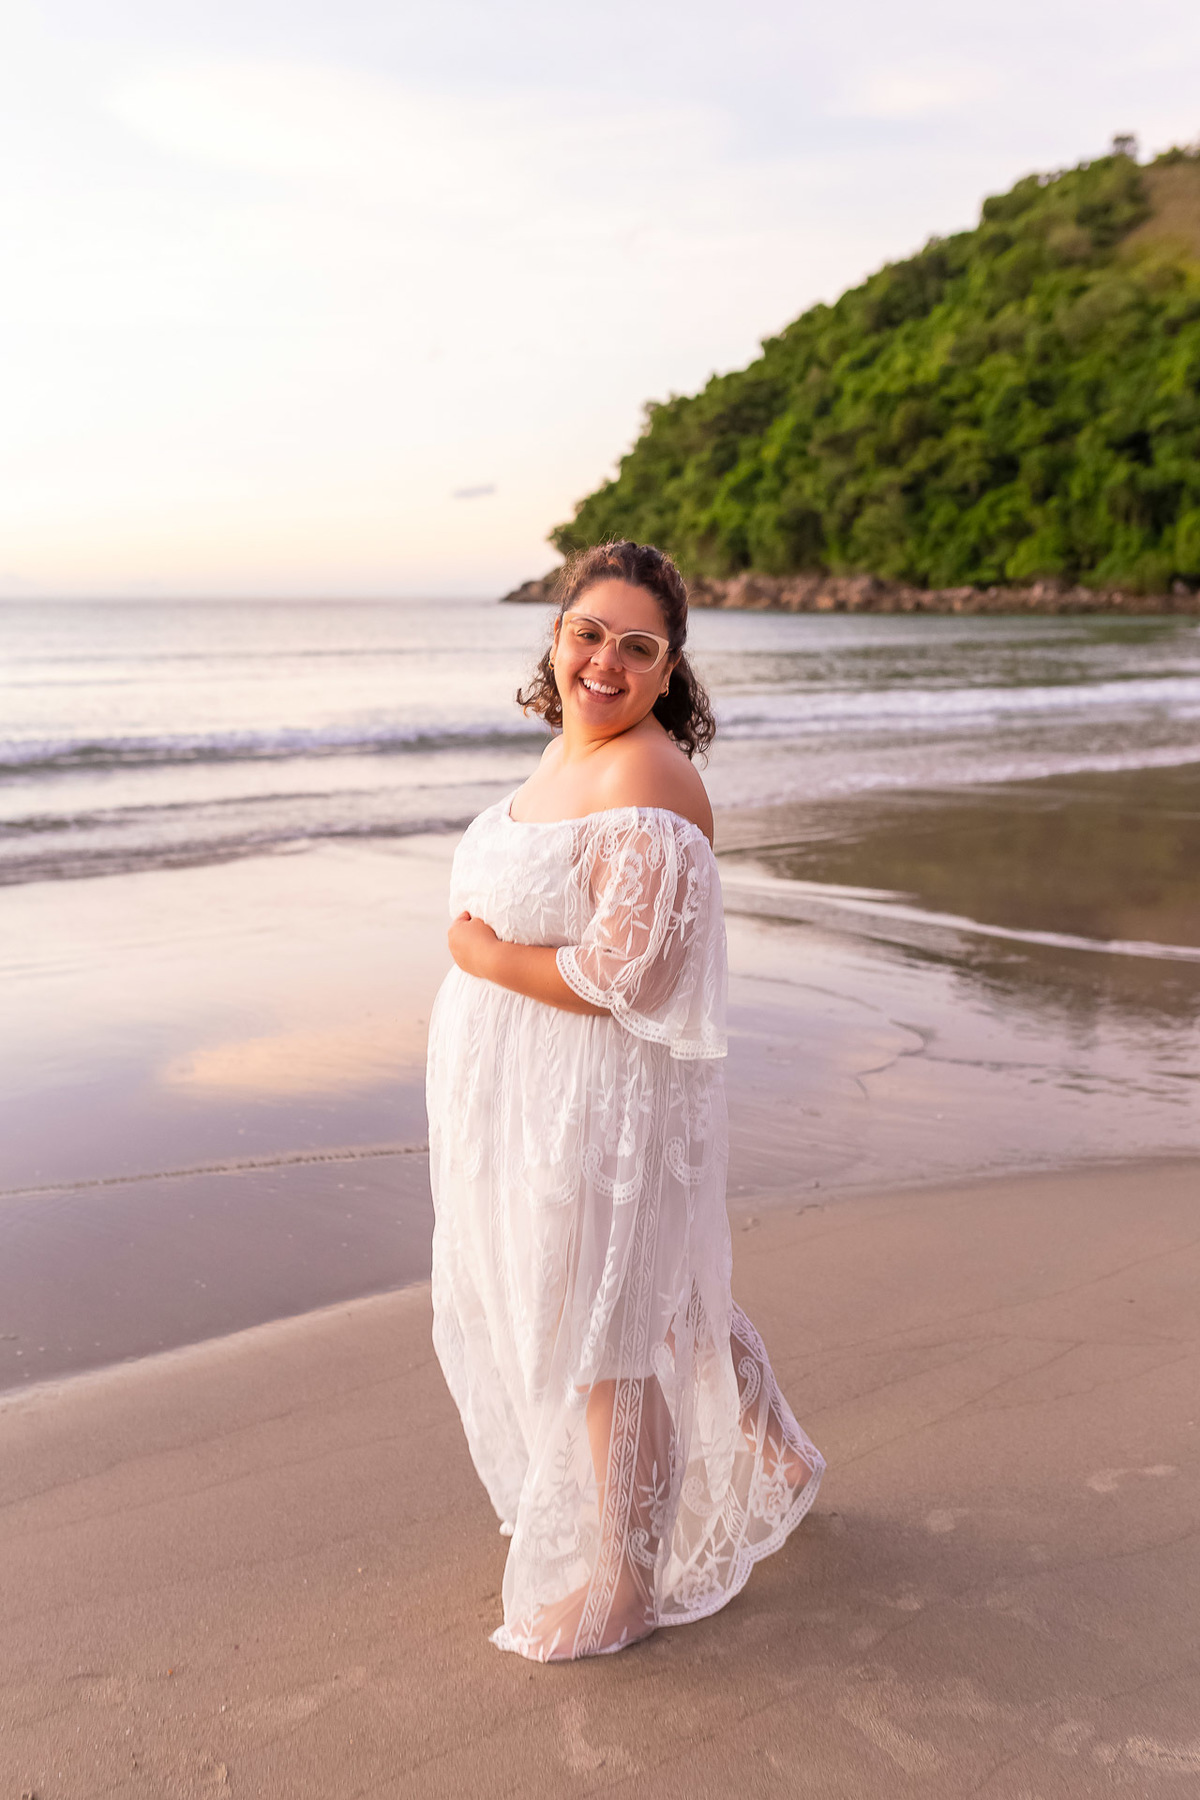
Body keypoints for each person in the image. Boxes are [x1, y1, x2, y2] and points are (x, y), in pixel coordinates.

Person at [426, 539, 823, 1661]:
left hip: (603, 1099)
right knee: (654, 1290)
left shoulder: (647, 775)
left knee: (611, 1323)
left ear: (668, 672)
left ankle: (623, 1578)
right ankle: (777, 1449)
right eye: (588, 633)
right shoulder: (562, 759)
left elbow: (623, 975)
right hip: (533, 1096)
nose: (606, 661)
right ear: (555, 638)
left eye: (637, 648)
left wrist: (477, 957)